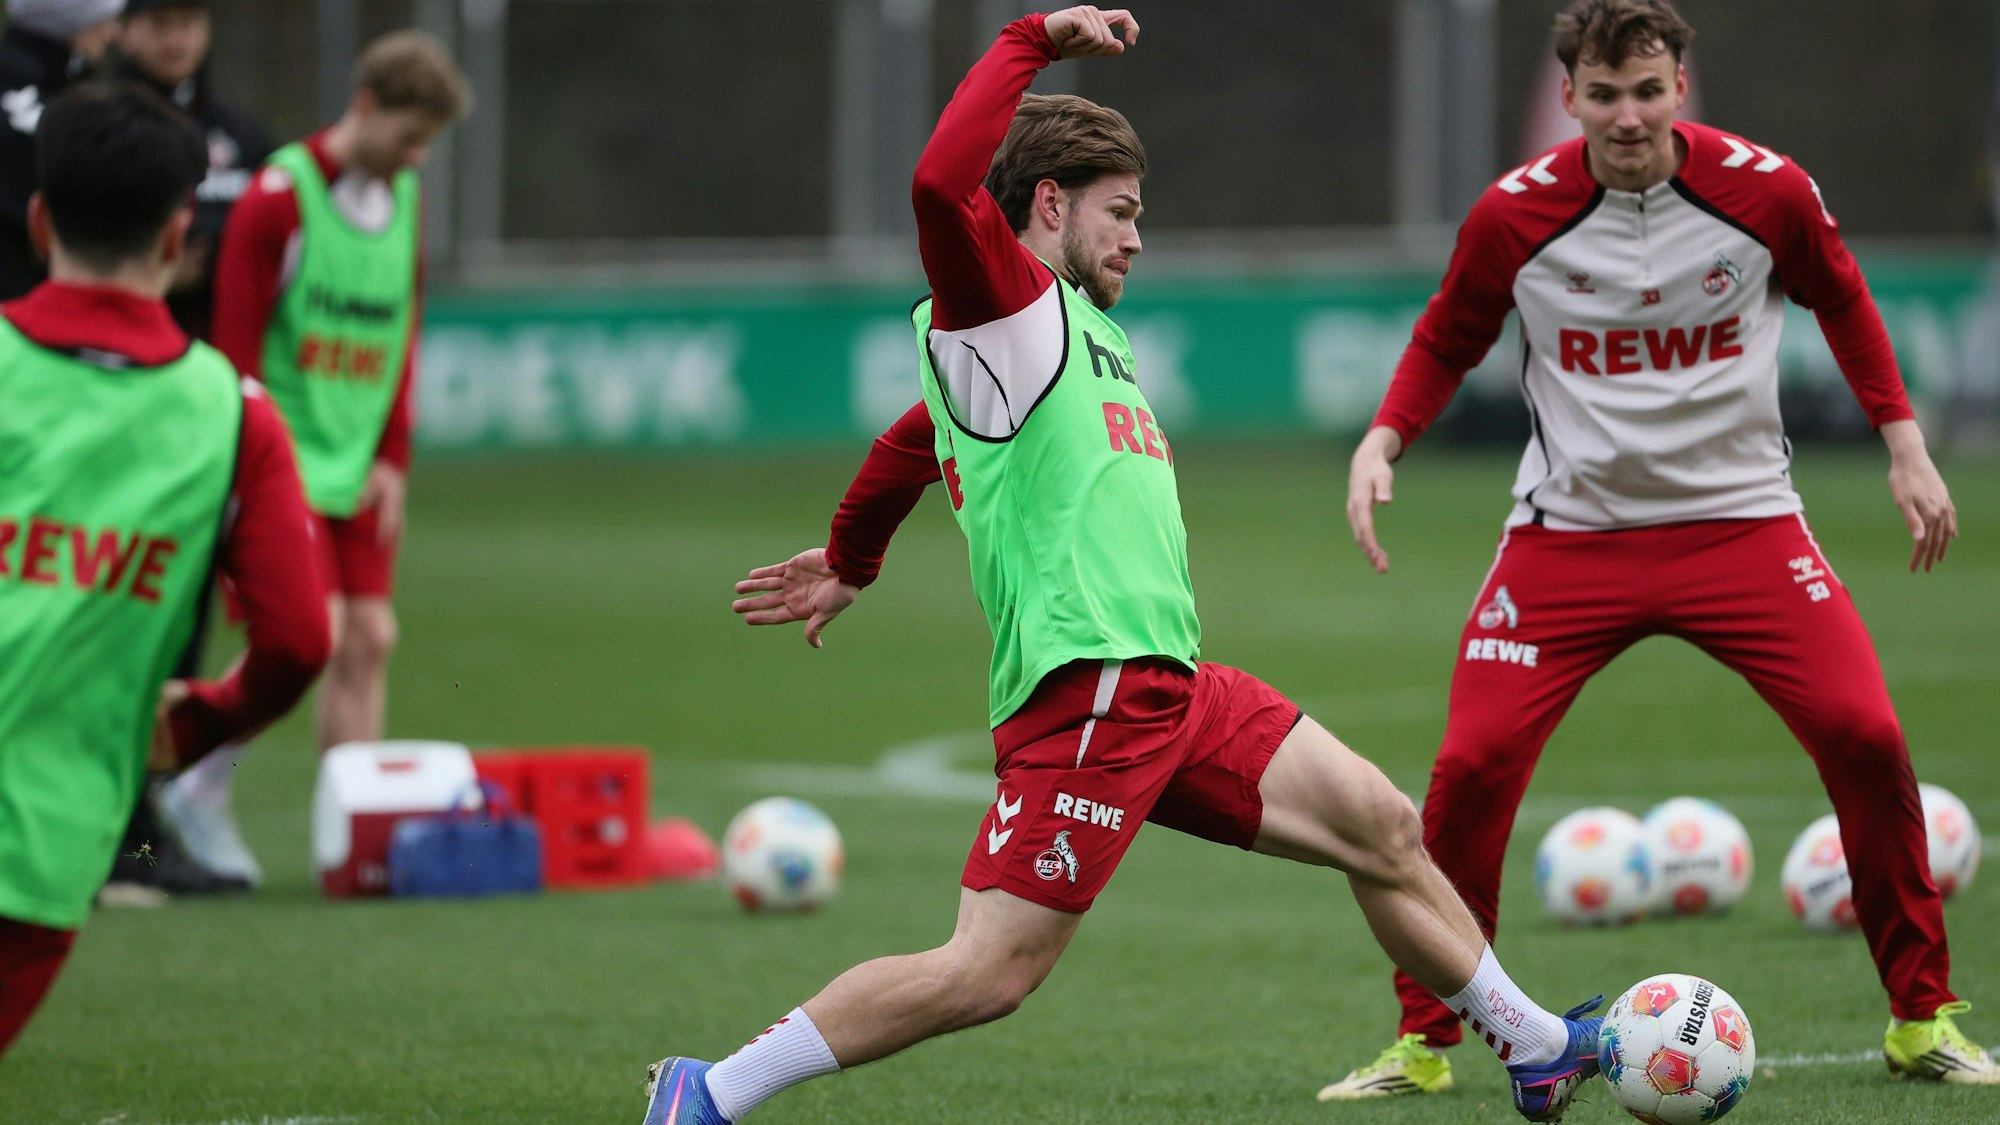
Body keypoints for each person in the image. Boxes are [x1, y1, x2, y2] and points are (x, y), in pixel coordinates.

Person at [640, 10, 1604, 1124]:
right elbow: (937, 185)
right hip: (1090, 688)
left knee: (1379, 826)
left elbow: (914, 437)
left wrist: (854, 555)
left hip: (1170, 686)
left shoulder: (1070, 328)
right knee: (987, 970)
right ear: (1049, 204)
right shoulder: (1000, 301)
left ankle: (1536, 1048)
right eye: (1123, 210)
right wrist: (1031, 37)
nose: (1138, 237)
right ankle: (711, 1092)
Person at [1321, 0, 1994, 1102]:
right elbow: (1448, 334)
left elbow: (1841, 298)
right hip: (1566, 540)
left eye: (1646, 91)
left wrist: (1904, 444)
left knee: (1865, 734)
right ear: (1569, 97)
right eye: (1602, 95)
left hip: (1742, 526)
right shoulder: (1512, 215)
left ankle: (1921, 1017)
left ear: (1679, 85)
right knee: (1470, 768)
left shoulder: (1768, 191)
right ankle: (1424, 1040)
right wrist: (1382, 439)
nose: (1626, 116)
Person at [0, 80, 330, 1058]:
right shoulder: (234, 416)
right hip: (43, 853)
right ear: (180, 234)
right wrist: (202, 721)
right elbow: (298, 640)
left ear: (39, 220)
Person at [182, 30, 469, 886]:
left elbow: (403, 335)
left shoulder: (404, 197)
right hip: (279, 462)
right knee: (318, 632)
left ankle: (353, 840)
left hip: (357, 467)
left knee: (372, 637)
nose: (417, 157)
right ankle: (197, 783)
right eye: (409, 136)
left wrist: (392, 458)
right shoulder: (280, 198)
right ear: (366, 106)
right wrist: (240, 471)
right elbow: (235, 350)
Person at [113, 0, 272, 340]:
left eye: (187, 23)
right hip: (128, 336)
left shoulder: (242, 133)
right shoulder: (101, 130)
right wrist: (153, 273)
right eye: (160, 24)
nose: (176, 40)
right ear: (124, 31)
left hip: (223, 338)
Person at [0, 0, 122, 299]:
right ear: (69, 23)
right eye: (101, 20)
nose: (112, 32)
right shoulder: (31, 99)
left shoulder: (61, 83)